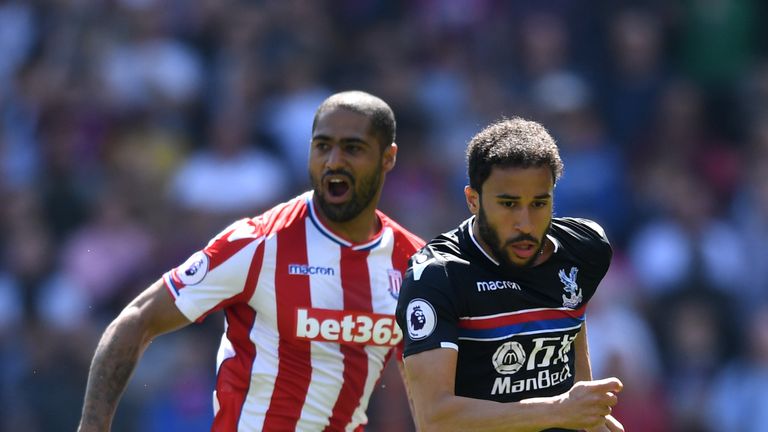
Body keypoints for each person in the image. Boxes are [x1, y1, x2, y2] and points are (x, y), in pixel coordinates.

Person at [78, 90, 425, 432]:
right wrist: (92, 427)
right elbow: (138, 319)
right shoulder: (258, 244)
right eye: (322, 146)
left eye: (352, 148)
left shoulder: (414, 265)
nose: (333, 161)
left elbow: (431, 391)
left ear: (387, 157)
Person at [395, 117, 624, 432]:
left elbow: (571, 318)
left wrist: (587, 417)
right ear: (473, 200)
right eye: (508, 204)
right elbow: (435, 417)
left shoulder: (585, 248)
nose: (526, 224)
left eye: (539, 203)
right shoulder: (438, 277)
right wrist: (559, 409)